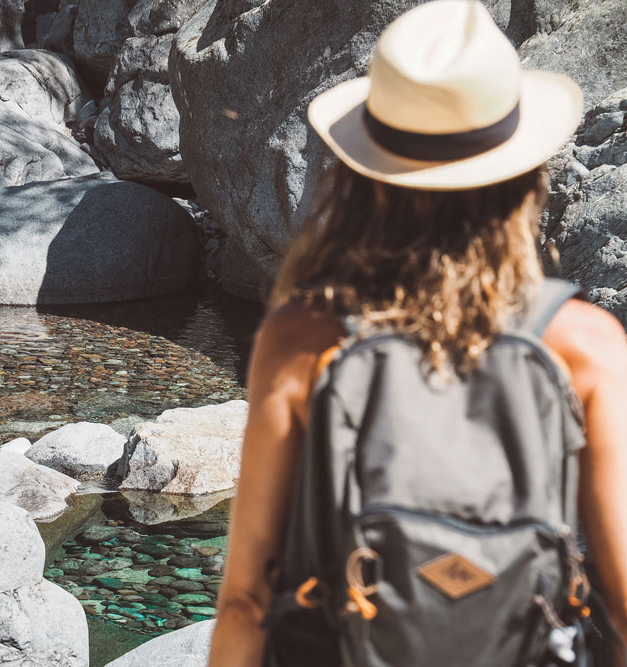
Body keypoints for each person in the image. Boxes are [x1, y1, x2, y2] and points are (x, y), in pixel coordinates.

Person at [207, 1, 627, 665]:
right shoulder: (585, 344)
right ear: (525, 180)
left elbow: (246, 604)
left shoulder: (303, 341)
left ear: (362, 179)